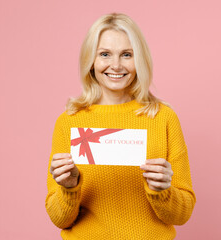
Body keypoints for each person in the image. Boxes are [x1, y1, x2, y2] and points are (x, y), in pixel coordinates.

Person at [45, 13, 196, 240]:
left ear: (139, 60)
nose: (115, 65)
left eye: (127, 55)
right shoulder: (70, 121)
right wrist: (69, 186)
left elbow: (182, 215)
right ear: (91, 61)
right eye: (105, 54)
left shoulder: (163, 118)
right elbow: (59, 219)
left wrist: (163, 191)